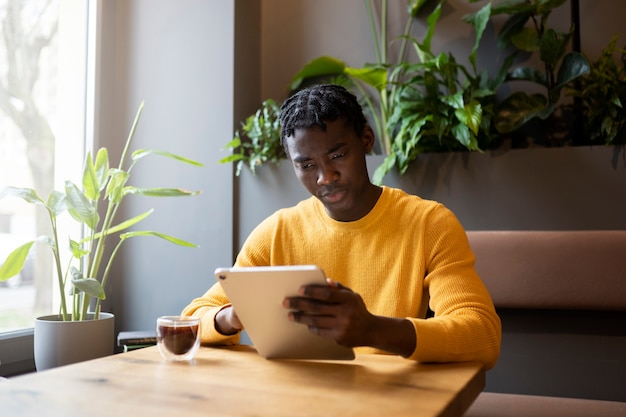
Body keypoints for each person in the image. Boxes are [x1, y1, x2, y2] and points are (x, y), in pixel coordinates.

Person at [182, 84, 501, 369]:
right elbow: (191, 319)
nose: (325, 177)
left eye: (338, 155)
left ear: (366, 140)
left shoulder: (429, 223)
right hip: (294, 399)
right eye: (306, 166)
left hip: (388, 400)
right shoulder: (276, 232)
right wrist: (233, 316)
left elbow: (481, 334)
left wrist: (372, 329)